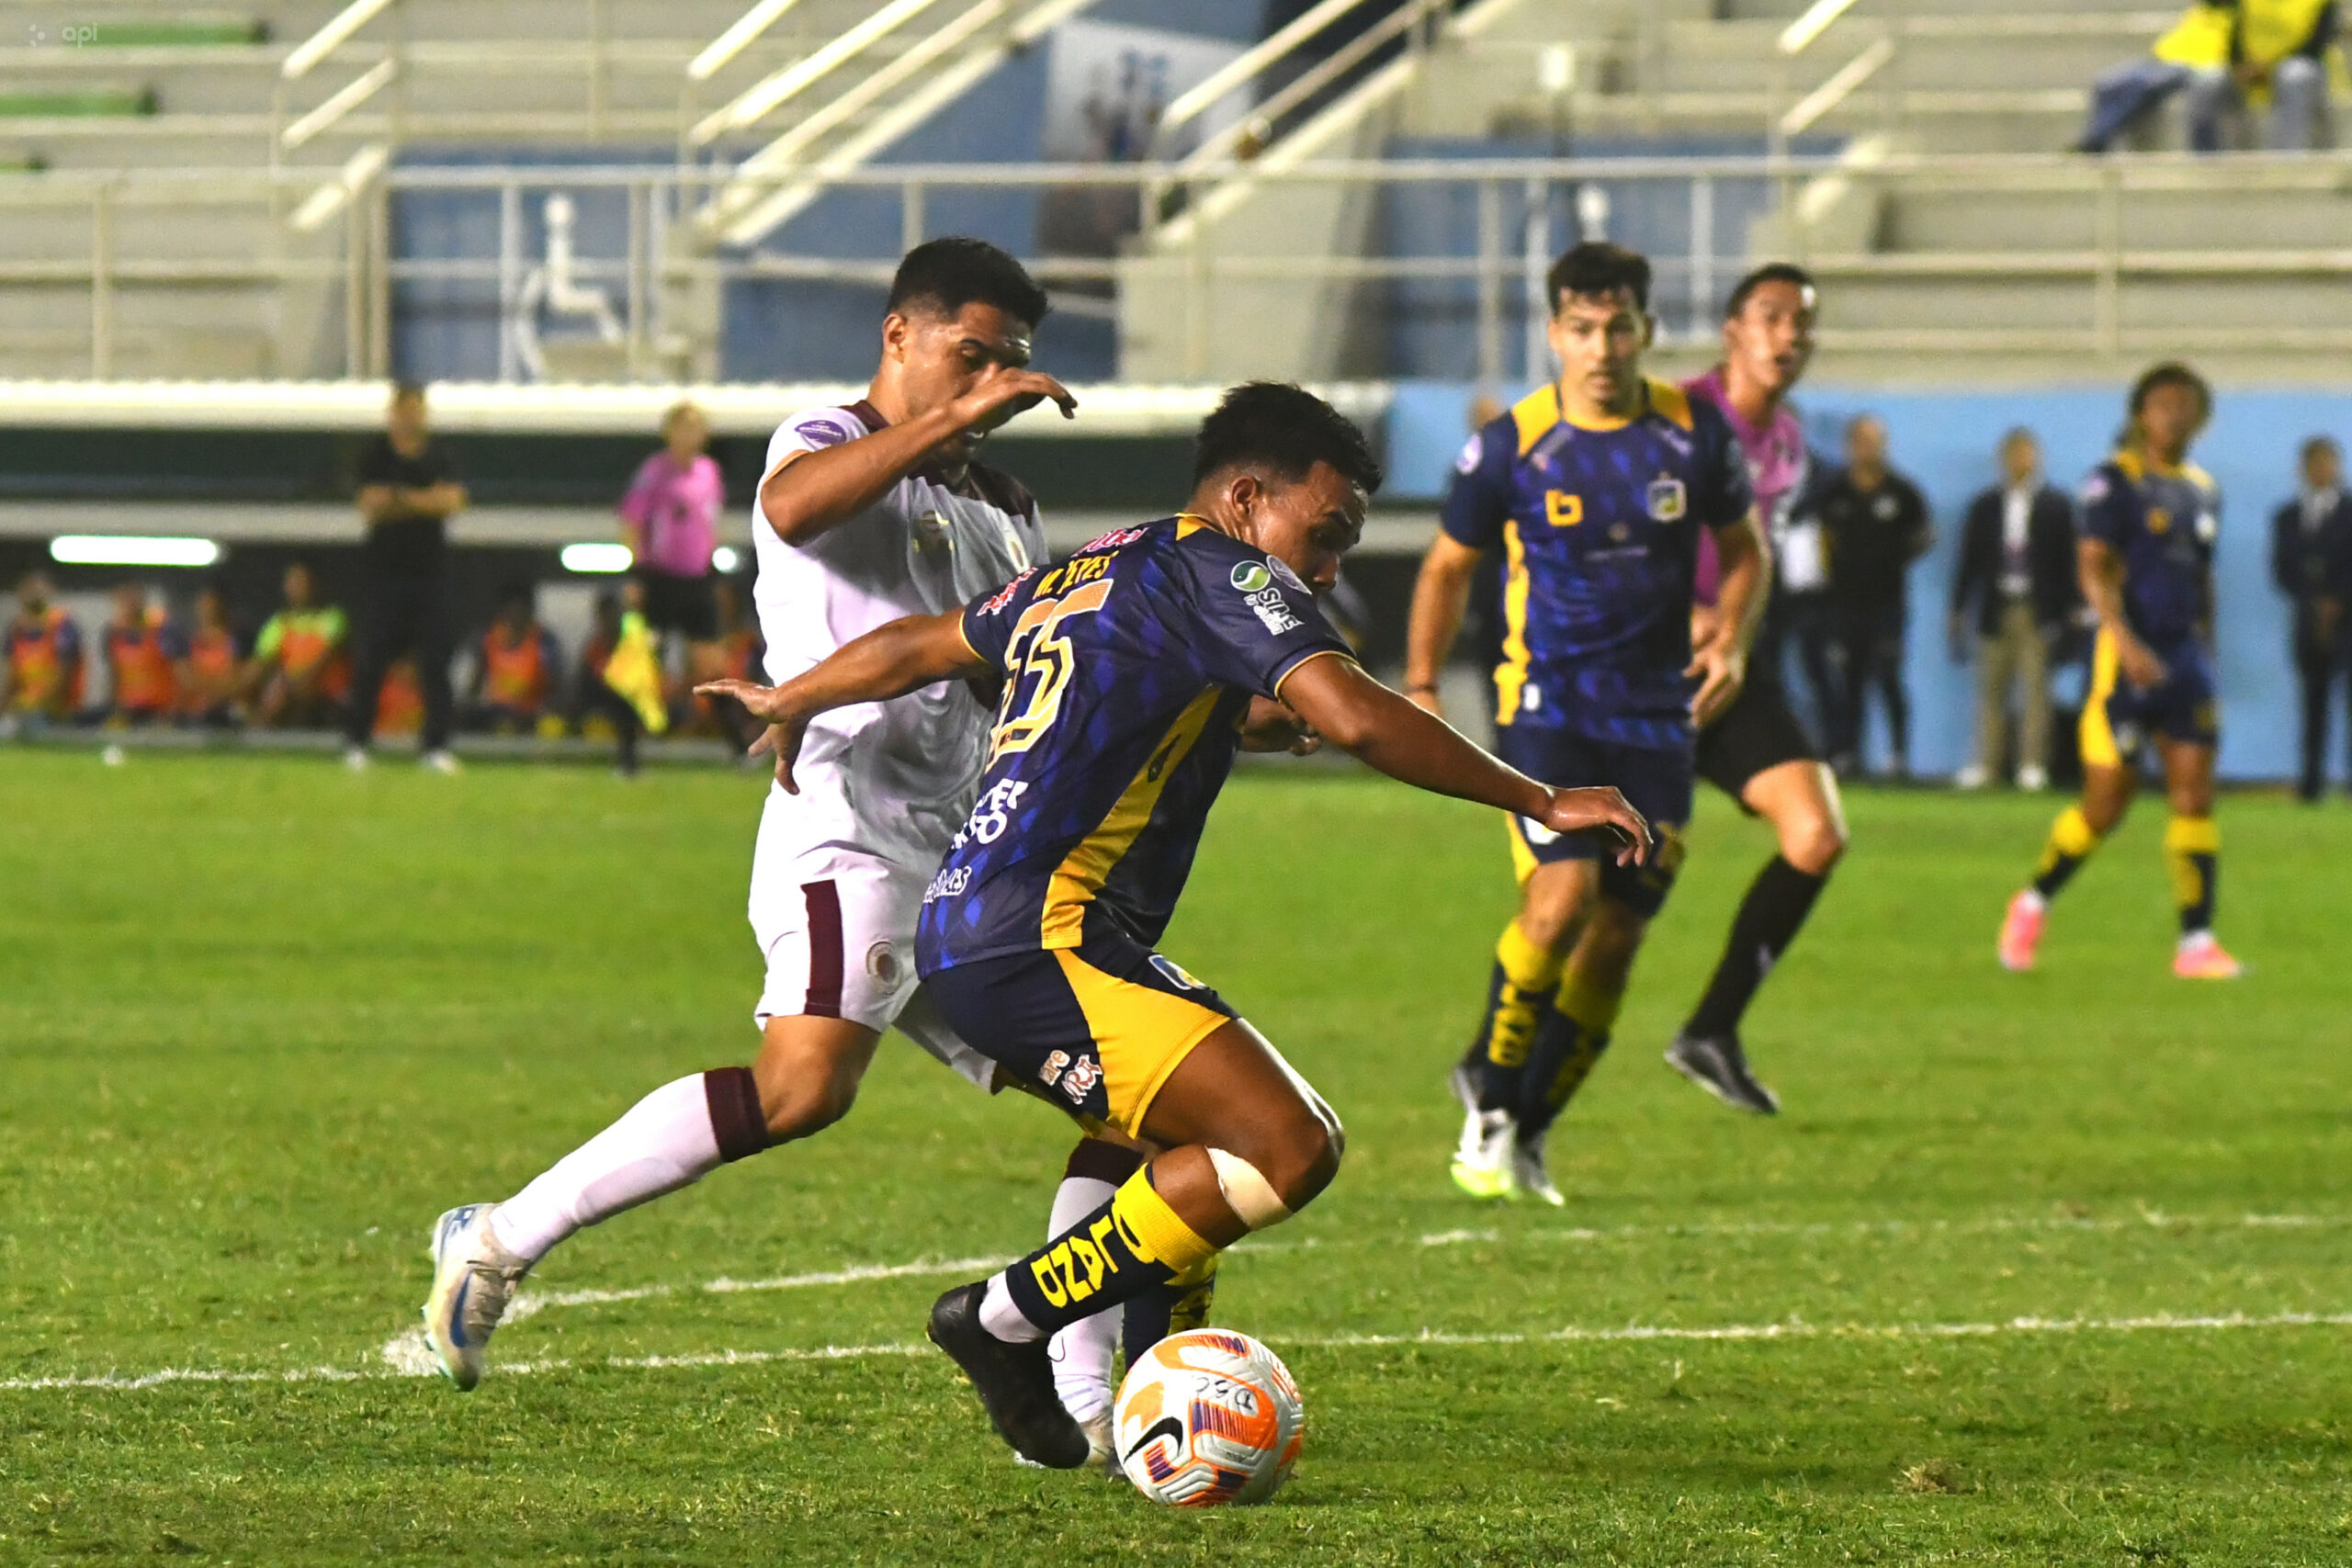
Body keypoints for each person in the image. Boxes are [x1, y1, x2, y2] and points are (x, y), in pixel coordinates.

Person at [695, 380, 1650, 1468]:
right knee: (1290, 1145)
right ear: (1246, 498)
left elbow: (925, 643)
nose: (1328, 568)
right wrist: (1541, 798)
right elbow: (1350, 708)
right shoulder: (1219, 568)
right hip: (1041, 933)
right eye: (1324, 533)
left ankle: (1159, 1396)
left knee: (1181, 1142)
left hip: (987, 925)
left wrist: (794, 696)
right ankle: (1003, 1319)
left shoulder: (1103, 565)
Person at [418, 239, 1170, 1470]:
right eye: (966, 355)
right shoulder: (818, 439)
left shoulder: (1008, 505)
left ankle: (1085, 1385)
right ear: (899, 336)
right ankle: (496, 1239)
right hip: (853, 829)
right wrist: (957, 421)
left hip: (980, 858)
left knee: (1148, 1098)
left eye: (1007, 365)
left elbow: (1029, 655)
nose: (987, 382)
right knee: (803, 1086)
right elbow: (797, 511)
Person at [1403, 242, 1765, 1204]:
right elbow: (1445, 568)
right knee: (1559, 906)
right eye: (1580, 329)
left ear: (1645, 331)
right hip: (1546, 712)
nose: (1600, 347)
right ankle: (1485, 1095)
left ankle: (1529, 1127)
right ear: (1554, 332)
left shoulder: (1695, 435)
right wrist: (1427, 687)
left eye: (1617, 328)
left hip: (1656, 723)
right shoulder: (1511, 444)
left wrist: (1728, 638)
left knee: (1615, 940)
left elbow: (1743, 551)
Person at [1668, 263, 1852, 1115]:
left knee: (1815, 833)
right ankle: (1499, 1073)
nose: (1790, 335)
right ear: (1733, 330)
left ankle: (1711, 1030)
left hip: (1731, 662)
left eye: (1803, 323)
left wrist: (1732, 631)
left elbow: (1757, 559)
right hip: (1643, 664)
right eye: (1772, 317)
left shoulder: (1787, 439)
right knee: (1587, 902)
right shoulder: (1673, 421)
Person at [1999, 363, 2242, 980]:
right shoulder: (2114, 483)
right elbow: (2093, 567)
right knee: (2107, 801)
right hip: (2124, 660)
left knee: (2194, 793)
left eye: (2186, 405)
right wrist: (2123, 639)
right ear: (2140, 413)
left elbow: (2201, 576)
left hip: (2184, 658)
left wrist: (2204, 645)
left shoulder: (2202, 489)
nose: (2174, 415)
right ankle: (2033, 900)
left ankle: (2196, 941)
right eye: (2162, 404)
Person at [345, 381, 466, 773]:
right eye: (402, 410)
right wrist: (421, 500)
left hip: (430, 574)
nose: (409, 418)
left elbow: (451, 502)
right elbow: (370, 506)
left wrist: (403, 499)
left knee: (435, 660)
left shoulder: (442, 455)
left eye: (416, 410)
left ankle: (435, 747)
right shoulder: (374, 455)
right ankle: (357, 742)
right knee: (371, 658)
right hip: (384, 574)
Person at [1951, 429, 2082, 792]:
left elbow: (2069, 561)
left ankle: (2032, 764)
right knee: (1990, 689)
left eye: (2026, 454)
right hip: (1996, 606)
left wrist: (2072, 609)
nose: (2020, 462)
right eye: (2013, 455)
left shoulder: (2057, 506)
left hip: (2038, 608)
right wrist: (1959, 608)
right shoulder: (1986, 506)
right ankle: (1986, 763)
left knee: (2036, 690)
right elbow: (1969, 561)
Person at [1820, 414, 1932, 779]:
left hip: (1887, 603)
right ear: (1850, 445)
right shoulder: (1834, 491)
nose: (1868, 448)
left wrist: (1893, 558)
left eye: (1875, 440)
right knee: (1847, 681)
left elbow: (1925, 535)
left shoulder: (1902, 491)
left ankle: (1898, 755)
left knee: (1888, 677)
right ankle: (1847, 755)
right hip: (1844, 604)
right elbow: (1822, 538)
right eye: (1861, 440)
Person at [2077, 0, 2337, 153]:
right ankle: (2207, 159)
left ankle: (2285, 161)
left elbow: (2316, 45)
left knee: (2295, 74)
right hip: (2227, 68)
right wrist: (2241, 66)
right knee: (2117, 82)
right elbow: (2235, 41)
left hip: (2295, 70)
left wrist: (2266, 66)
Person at [618, 400, 728, 672]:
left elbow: (711, 521)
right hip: (660, 576)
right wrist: (635, 575)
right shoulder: (654, 471)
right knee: (652, 654)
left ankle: (707, 712)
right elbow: (632, 520)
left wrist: (713, 565)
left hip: (698, 577)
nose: (689, 435)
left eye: (694, 428)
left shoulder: (709, 472)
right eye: (682, 428)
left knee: (709, 656)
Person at [2272, 434, 2352, 801]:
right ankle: (2311, 784)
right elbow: (2281, 571)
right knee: (2312, 705)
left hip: (2348, 622)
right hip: (2307, 624)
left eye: (2327, 462)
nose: (2322, 470)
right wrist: (2314, 601)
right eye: (2314, 463)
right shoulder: (2286, 517)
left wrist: (2338, 600)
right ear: (2303, 470)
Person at [247, 562, 349, 729]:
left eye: (303, 581)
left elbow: (321, 665)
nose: (299, 587)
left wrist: (289, 684)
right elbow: (258, 666)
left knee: (281, 687)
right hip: (286, 694)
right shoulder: (279, 623)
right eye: (293, 582)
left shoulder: (333, 617)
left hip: (328, 695)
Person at [470, 581, 562, 735]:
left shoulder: (544, 641)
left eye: (520, 608)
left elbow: (556, 684)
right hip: (496, 713)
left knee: (553, 726)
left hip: (533, 714)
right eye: (511, 608)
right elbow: (474, 684)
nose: (515, 614)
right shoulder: (486, 639)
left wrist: (546, 708)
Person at [2, 570, 83, 725]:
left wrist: (44, 702)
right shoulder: (16, 628)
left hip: (57, 707)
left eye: (39, 588)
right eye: (29, 588)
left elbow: (66, 671)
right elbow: (11, 674)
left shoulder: (61, 624)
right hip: (24, 705)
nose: (34, 593)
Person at [100, 581, 185, 726]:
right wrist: (114, 708)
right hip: (128, 710)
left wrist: (174, 710)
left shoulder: (163, 630)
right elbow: (114, 675)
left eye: (133, 597)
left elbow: (180, 672)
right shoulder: (113, 633)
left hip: (159, 710)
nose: (130, 603)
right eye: (125, 598)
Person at [176, 583, 243, 727]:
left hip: (228, 706)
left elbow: (237, 676)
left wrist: (218, 693)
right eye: (204, 602)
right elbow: (186, 678)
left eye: (212, 603)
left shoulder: (235, 641)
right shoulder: (188, 642)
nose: (208, 608)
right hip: (196, 709)